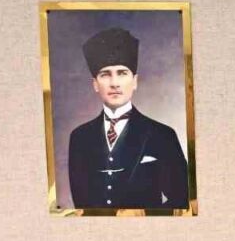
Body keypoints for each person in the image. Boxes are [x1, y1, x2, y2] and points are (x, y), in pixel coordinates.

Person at [67, 27, 189, 210]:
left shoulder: (163, 135)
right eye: (105, 74)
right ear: (95, 84)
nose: (114, 83)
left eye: (122, 73)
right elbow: (81, 205)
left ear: (135, 81)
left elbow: (182, 199)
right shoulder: (79, 137)